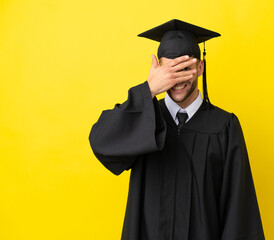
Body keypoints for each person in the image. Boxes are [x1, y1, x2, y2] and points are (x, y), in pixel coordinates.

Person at [89, 19, 265, 240]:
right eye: (170, 69)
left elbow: (240, 212)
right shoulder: (144, 120)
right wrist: (149, 90)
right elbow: (101, 142)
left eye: (185, 68)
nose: (177, 78)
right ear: (158, 70)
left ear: (200, 67)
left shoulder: (224, 127)